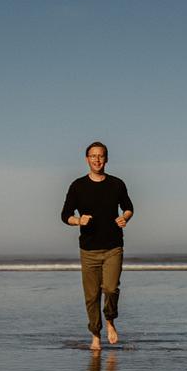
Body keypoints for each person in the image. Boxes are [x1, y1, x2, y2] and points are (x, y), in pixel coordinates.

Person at [60, 141, 134, 350]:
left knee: (110, 289)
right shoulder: (77, 186)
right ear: (87, 159)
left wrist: (125, 217)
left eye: (101, 156)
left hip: (113, 246)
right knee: (91, 296)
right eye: (93, 156)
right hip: (88, 250)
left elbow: (128, 207)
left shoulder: (117, 184)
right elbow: (65, 215)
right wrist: (78, 220)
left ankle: (110, 320)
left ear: (106, 159)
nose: (97, 159)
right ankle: (95, 335)